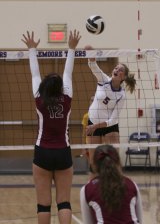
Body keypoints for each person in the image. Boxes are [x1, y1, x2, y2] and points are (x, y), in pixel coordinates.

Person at [21, 30, 81, 224]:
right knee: (64, 202)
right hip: (63, 152)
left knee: (43, 204)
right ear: (61, 87)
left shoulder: (40, 100)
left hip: (42, 153)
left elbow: (35, 73)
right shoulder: (67, 99)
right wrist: (71, 48)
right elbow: (68, 73)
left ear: (44, 87)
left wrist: (32, 49)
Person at [85, 45, 136, 174]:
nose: (116, 69)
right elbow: (93, 66)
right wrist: (90, 53)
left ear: (123, 77)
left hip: (109, 125)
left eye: (120, 70)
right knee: (93, 162)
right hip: (93, 121)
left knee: (113, 159)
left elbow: (113, 120)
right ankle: (94, 185)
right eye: (116, 67)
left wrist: (96, 126)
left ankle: (117, 184)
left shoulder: (121, 95)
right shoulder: (103, 80)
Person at [80, 144, 143, 224]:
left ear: (95, 165)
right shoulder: (131, 184)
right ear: (118, 162)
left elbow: (88, 222)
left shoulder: (87, 190)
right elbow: (140, 220)